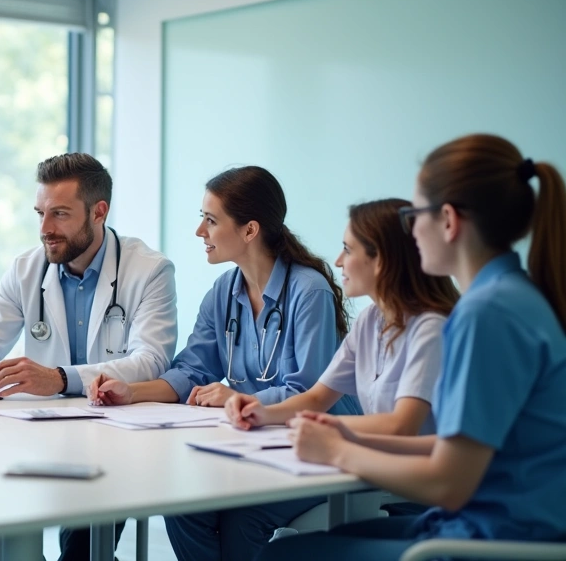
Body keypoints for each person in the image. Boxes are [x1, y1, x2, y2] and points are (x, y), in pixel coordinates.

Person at [258, 134, 566, 561]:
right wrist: (341, 435)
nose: (410, 229)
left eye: (412, 214)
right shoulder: (511, 297)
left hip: (495, 539)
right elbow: (452, 448)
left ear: (448, 221)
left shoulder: (484, 315)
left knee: (280, 556)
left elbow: (449, 483)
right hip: (496, 521)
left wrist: (339, 450)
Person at [87, 165, 362, 561]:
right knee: (184, 506)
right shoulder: (225, 291)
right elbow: (191, 371)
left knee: (242, 517)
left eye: (211, 221)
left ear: (249, 230)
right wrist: (131, 391)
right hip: (255, 443)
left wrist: (235, 396)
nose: (201, 232)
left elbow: (306, 391)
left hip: (317, 446)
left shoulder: (308, 292)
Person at [0, 152, 178, 561]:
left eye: (60, 214)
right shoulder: (25, 270)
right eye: (40, 213)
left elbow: (152, 360)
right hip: (40, 434)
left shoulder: (150, 270)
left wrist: (60, 378)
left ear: (98, 212)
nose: (45, 229)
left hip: (113, 439)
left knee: (81, 549)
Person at [226, 198, 458, 437]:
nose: (338, 261)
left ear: (381, 260)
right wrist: (259, 412)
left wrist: (314, 423)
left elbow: (401, 425)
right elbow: (317, 398)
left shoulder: (430, 329)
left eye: (347, 250)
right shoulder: (370, 320)